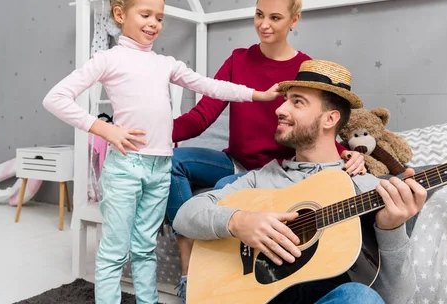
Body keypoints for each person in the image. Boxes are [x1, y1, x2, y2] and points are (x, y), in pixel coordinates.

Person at [42, 0, 281, 304]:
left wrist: (257, 94)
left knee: (144, 247)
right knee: (114, 250)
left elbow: (209, 85)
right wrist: (104, 128)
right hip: (126, 167)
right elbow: (55, 98)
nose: (154, 23)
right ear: (120, 15)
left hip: (160, 166)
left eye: (159, 17)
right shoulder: (108, 59)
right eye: (145, 15)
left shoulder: (165, 63)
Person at [167, 0, 368, 302]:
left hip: (278, 173)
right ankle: (189, 265)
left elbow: (318, 128)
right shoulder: (238, 59)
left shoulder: (305, 69)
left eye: (274, 17)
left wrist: (348, 154)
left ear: (293, 20)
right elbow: (202, 116)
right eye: (259, 14)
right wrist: (152, 134)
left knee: (221, 193)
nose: (264, 24)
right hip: (234, 163)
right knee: (173, 163)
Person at [173, 59, 427, 304]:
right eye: (285, 101)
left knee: (361, 298)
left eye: (297, 102)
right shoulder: (260, 178)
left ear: (330, 119)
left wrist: (391, 230)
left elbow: (397, 298)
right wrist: (238, 221)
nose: (279, 109)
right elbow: (185, 215)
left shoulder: (367, 188)